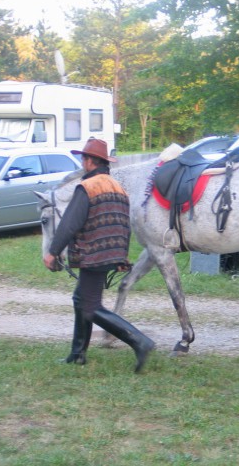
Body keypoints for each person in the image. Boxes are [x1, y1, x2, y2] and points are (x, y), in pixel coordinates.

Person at [42, 138, 155, 373]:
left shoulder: (88, 187)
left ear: (90, 161)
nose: (82, 162)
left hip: (93, 253)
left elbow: (70, 223)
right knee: (80, 299)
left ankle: (139, 341)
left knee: (90, 307)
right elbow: (125, 225)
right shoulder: (118, 187)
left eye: (84, 158)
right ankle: (77, 354)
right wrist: (121, 256)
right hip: (111, 252)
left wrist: (53, 252)